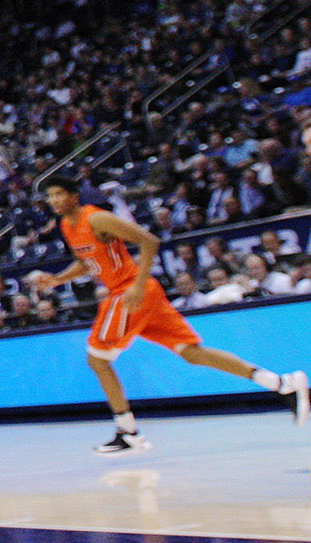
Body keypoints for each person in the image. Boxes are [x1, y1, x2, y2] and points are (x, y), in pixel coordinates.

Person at [31, 177, 306, 455]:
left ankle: (129, 432)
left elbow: (149, 240)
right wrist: (56, 279)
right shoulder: (67, 225)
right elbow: (85, 263)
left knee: (98, 359)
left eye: (58, 194)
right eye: (50, 196)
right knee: (192, 353)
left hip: (130, 291)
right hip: (137, 294)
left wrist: (138, 284)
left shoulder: (98, 218)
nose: (54, 200)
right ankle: (281, 383)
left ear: (74, 196)